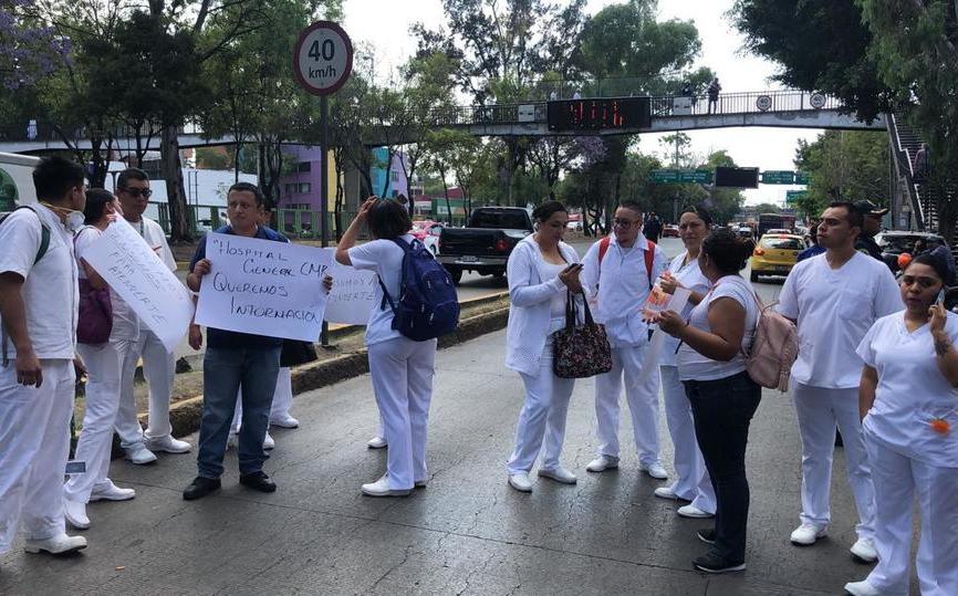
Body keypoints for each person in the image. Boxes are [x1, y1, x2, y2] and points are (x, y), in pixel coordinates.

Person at [776, 201, 902, 563]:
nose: (822, 227)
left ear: (853, 231)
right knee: (814, 454)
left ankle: (872, 532)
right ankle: (813, 519)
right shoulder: (803, 270)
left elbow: (889, 329)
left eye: (832, 222)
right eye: (821, 221)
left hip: (857, 383)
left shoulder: (876, 273)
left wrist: (882, 383)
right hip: (808, 378)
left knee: (864, 459)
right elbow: (787, 320)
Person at [844, 254, 958, 596]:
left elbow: (955, 379)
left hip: (937, 438)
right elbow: (869, 374)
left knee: (941, 520)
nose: (914, 289)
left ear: (942, 288)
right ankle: (887, 578)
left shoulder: (952, 327)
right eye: (909, 281)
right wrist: (867, 417)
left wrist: (938, 335)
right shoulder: (884, 324)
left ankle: (940, 587)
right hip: (885, 433)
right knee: (889, 511)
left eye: (926, 283)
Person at [654, 229, 760, 573]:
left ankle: (731, 552)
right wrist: (685, 297)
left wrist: (681, 330)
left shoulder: (728, 292)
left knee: (728, 472)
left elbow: (726, 347)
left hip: (722, 390)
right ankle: (725, 530)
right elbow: (710, 308)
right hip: (715, 389)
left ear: (706, 260)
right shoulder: (727, 287)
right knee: (719, 467)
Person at [0, 156, 88, 557]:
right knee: (17, 454)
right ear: (74, 190)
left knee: (53, 451)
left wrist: (69, 353)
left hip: (57, 359)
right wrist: (24, 349)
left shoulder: (61, 229)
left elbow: (54, 301)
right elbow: (7, 285)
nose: (84, 194)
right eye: (83, 188)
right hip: (27, 362)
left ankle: (44, 530)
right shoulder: (26, 224)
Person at [183, 182, 287, 500]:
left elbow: (295, 285)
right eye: (233, 204)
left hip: (265, 344)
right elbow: (192, 282)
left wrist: (319, 283)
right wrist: (197, 274)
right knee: (216, 410)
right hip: (224, 342)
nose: (238, 210)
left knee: (258, 410)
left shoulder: (277, 243)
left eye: (244, 204)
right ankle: (208, 473)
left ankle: (252, 469)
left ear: (259, 210)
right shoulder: (214, 242)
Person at [335, 197, 439, 497]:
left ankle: (398, 478)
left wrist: (358, 219)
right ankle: (416, 471)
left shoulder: (382, 248)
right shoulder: (423, 245)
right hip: (424, 333)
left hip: (389, 334)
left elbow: (341, 254)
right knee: (418, 406)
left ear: (375, 224)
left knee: (394, 408)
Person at [62, 190, 137, 530]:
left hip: (114, 330)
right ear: (109, 207)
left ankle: (97, 481)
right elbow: (95, 277)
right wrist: (126, 256)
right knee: (100, 410)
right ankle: (75, 491)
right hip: (103, 333)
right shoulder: (92, 235)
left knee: (105, 407)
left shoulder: (96, 235)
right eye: (117, 203)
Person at [579, 201, 669, 481]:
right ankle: (607, 453)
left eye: (626, 222)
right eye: (616, 221)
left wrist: (647, 320)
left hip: (637, 339)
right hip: (605, 337)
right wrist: (594, 316)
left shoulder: (652, 253)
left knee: (644, 398)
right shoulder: (601, 248)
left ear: (639, 224)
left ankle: (649, 457)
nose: (619, 227)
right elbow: (585, 283)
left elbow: (662, 290)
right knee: (605, 398)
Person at [112, 168, 192, 464]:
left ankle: (159, 433)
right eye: (134, 192)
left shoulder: (154, 227)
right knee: (123, 382)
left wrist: (179, 309)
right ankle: (132, 440)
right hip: (123, 318)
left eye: (146, 193)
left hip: (157, 317)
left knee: (163, 377)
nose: (141, 198)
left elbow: (169, 272)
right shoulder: (108, 228)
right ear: (119, 194)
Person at [504, 200, 583, 493]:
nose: (560, 231)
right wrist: (558, 284)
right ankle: (519, 466)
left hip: (567, 339)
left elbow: (579, 290)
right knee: (539, 401)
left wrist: (576, 287)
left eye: (564, 225)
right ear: (539, 222)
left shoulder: (569, 251)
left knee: (560, 404)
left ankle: (551, 462)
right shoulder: (524, 251)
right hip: (536, 340)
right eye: (554, 225)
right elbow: (518, 295)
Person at [654, 206, 716, 518]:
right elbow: (664, 295)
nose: (688, 231)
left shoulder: (711, 263)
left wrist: (682, 291)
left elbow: (719, 304)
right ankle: (685, 483)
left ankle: (708, 495)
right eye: (683, 226)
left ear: (708, 227)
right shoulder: (677, 260)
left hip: (696, 349)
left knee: (700, 424)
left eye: (694, 225)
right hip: (667, 347)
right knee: (677, 420)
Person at [852, 199, 888, 265]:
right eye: (875, 217)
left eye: (880, 217)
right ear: (858, 220)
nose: (880, 220)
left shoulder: (868, 242)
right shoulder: (859, 246)